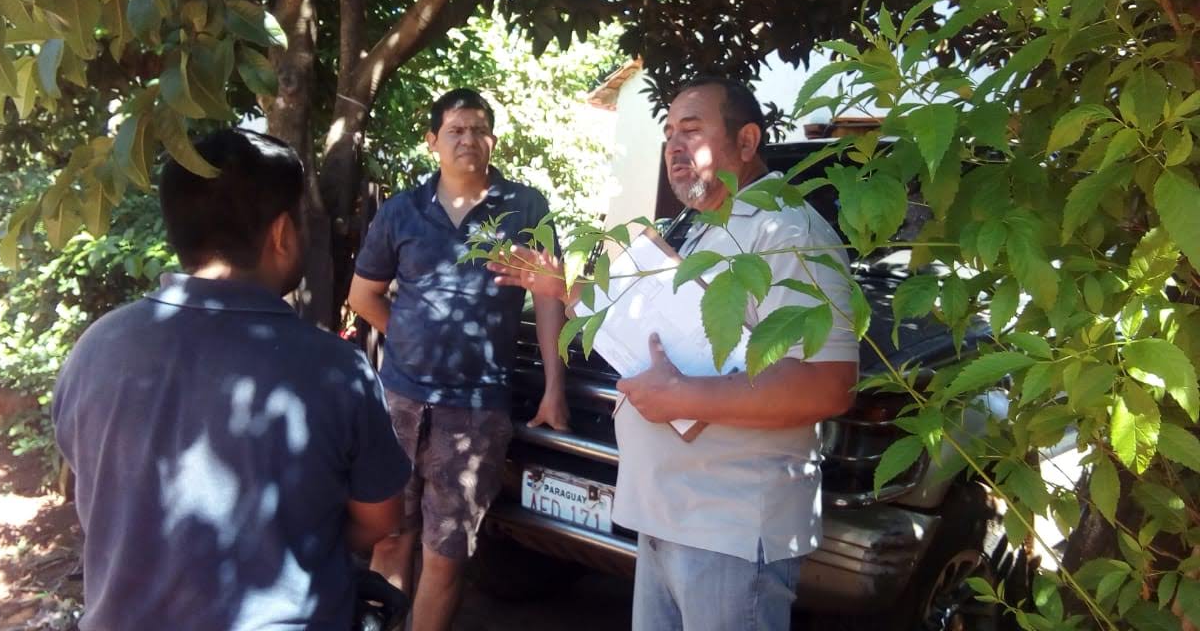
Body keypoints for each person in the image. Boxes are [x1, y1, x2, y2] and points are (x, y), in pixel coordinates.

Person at [489, 77, 860, 631]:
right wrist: (564, 289)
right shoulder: (699, 229)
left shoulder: (787, 232)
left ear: (746, 141)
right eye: (668, 136)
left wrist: (683, 397)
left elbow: (829, 383)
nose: (674, 148)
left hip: (731, 527)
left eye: (691, 131)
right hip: (667, 513)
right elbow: (650, 327)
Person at [53, 129, 411, 631]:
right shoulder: (336, 369)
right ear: (282, 233)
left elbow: (94, 494)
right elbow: (380, 520)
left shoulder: (97, 347)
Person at [348, 88, 569, 631]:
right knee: (390, 539)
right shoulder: (401, 211)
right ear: (433, 141)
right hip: (399, 401)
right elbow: (363, 295)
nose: (468, 139)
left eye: (479, 129)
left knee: (446, 555)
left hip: (476, 411)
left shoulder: (526, 208)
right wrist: (410, 338)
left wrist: (554, 388)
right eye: (456, 130)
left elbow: (549, 299)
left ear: (492, 139)